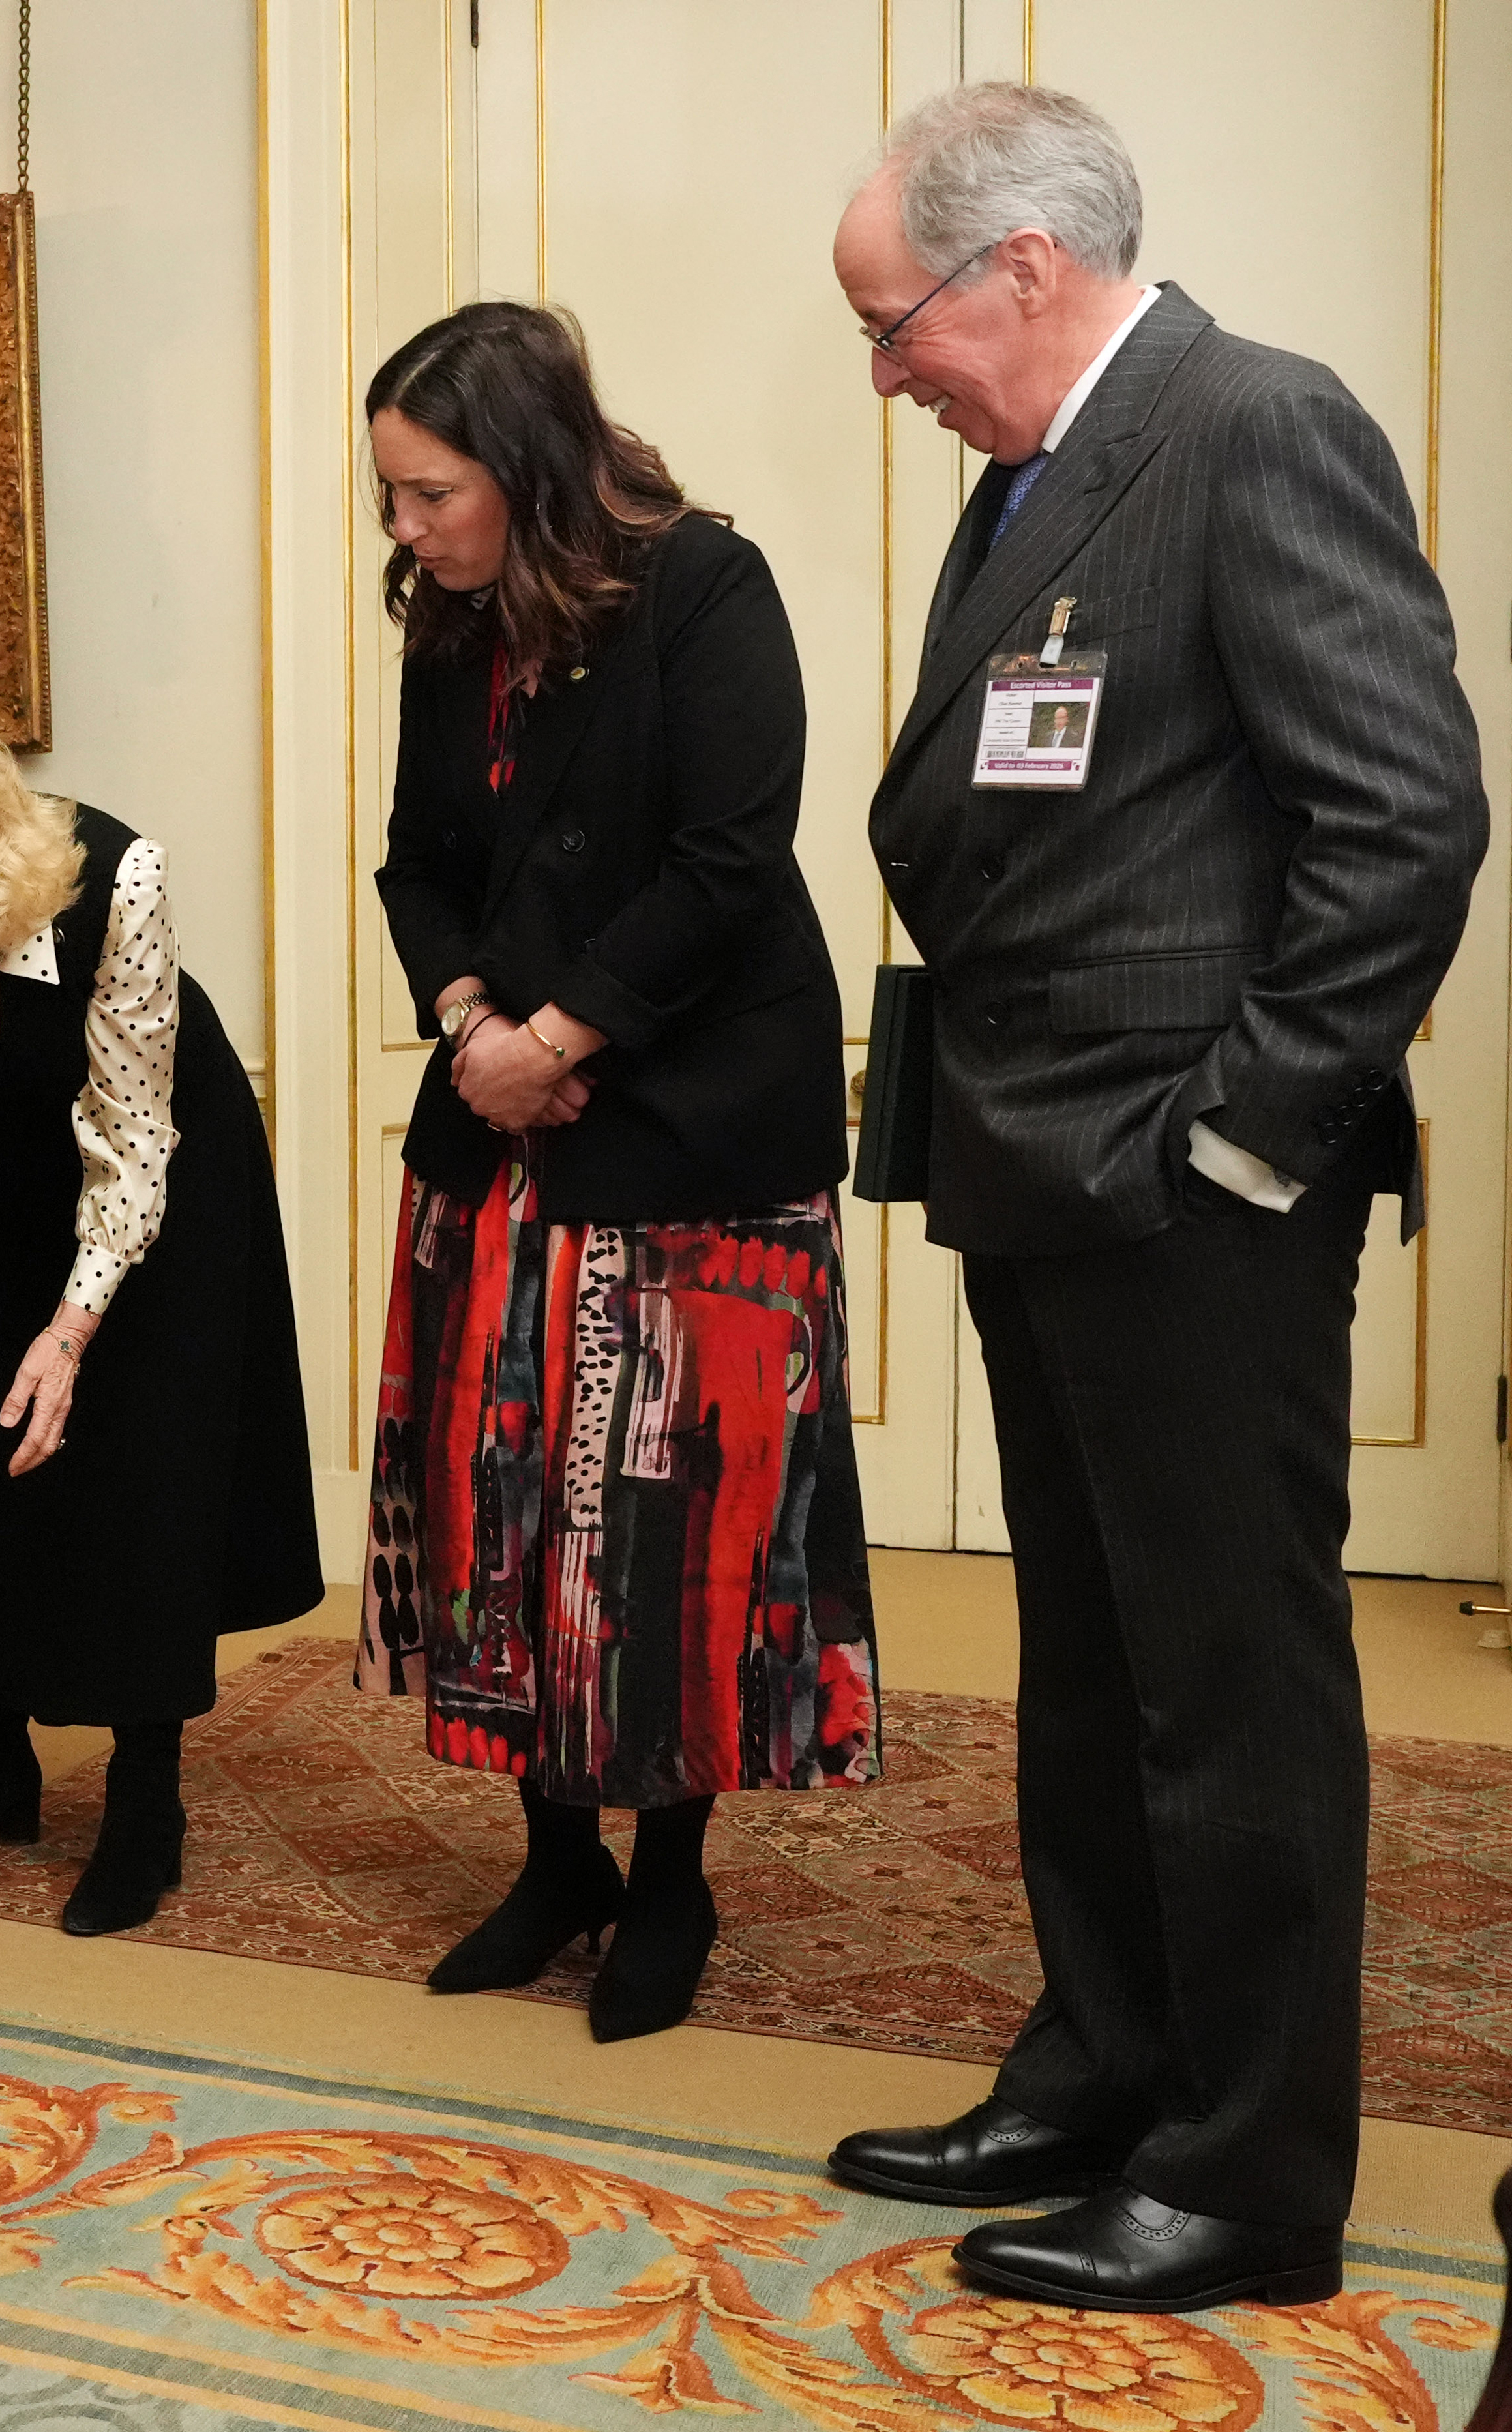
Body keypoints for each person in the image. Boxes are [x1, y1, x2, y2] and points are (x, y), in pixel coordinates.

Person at [823, 84, 1485, 2313]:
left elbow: (1402, 822)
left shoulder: (1254, 425)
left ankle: (1251, 2176)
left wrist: (1241, 1137)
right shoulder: (1039, 471)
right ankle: (1105, 2063)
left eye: (895, 322)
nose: (887, 371)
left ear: (1021, 266)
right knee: (1094, 1675)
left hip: (1190, 1197)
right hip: (1041, 1175)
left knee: (1231, 1688)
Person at [355, 301, 877, 2045]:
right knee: (508, 1504)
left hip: (688, 1135)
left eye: (431, 493)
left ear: (523, 459)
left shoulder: (708, 586)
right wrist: (467, 1017)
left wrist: (559, 1038)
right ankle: (556, 1851)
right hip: (504, 1130)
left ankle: (673, 1879)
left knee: (663, 1530)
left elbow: (730, 863)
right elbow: (418, 863)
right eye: (394, 502)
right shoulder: (445, 630)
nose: (409, 532)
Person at [0, 715, 321, 1938]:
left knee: (138, 1473)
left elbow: (133, 1143)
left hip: (151, 1162)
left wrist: (73, 1326)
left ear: (1, 879)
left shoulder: (121, 877)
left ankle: (148, 1799)